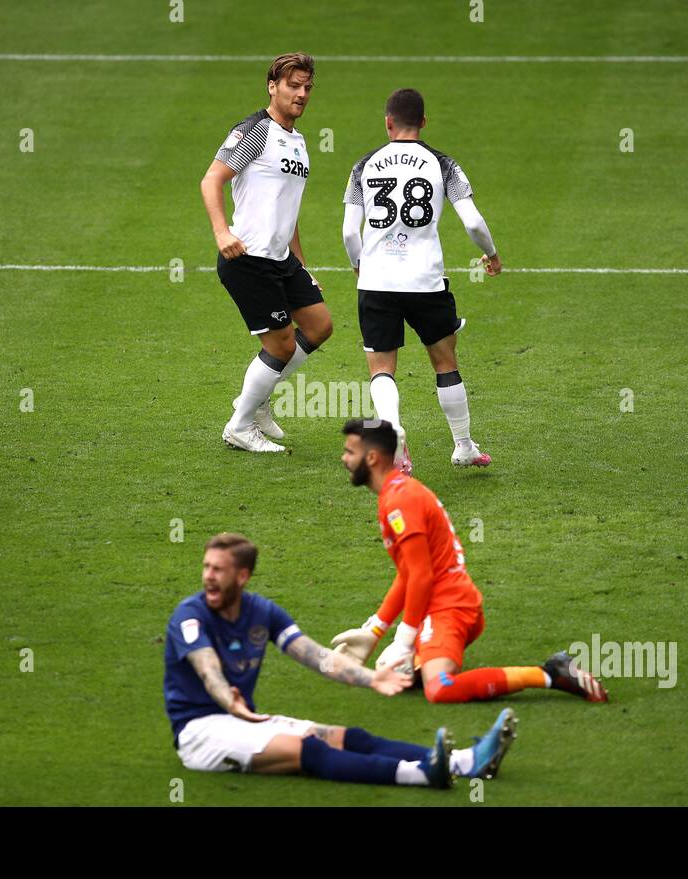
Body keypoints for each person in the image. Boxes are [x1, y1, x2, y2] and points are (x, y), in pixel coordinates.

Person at [164, 533, 520, 786]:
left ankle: (465, 761)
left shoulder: (262, 612)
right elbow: (207, 668)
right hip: (202, 732)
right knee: (309, 750)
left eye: (218, 570)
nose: (207, 576)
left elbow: (317, 657)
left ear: (242, 576)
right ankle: (423, 775)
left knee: (351, 737)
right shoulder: (190, 616)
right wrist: (230, 701)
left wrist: (371, 678)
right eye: (206, 567)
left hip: (246, 720)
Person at [332, 419, 609, 704]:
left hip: (447, 608)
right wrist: (374, 630)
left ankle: (551, 673)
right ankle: (421, 659)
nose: (344, 459)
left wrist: (402, 641)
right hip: (449, 602)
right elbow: (408, 574)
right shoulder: (396, 494)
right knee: (397, 673)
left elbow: (421, 576)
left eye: (349, 452)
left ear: (373, 457)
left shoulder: (400, 501)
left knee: (440, 689)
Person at [342, 88, 501, 473]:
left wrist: (360, 266)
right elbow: (474, 222)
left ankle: (393, 431)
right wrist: (492, 255)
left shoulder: (364, 165)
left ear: (388, 123)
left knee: (381, 369)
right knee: (445, 361)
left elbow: (349, 232)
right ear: (424, 122)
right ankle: (463, 445)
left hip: (377, 282)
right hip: (426, 282)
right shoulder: (443, 164)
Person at [201, 53, 333, 453]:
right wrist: (222, 232)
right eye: (293, 85)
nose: (302, 93)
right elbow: (211, 180)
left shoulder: (298, 141)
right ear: (272, 87)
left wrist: (302, 265)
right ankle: (240, 425)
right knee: (281, 346)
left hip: (281, 259)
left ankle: (254, 403)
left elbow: (286, 209)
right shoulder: (256, 131)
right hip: (249, 258)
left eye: (307, 87)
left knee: (319, 325)